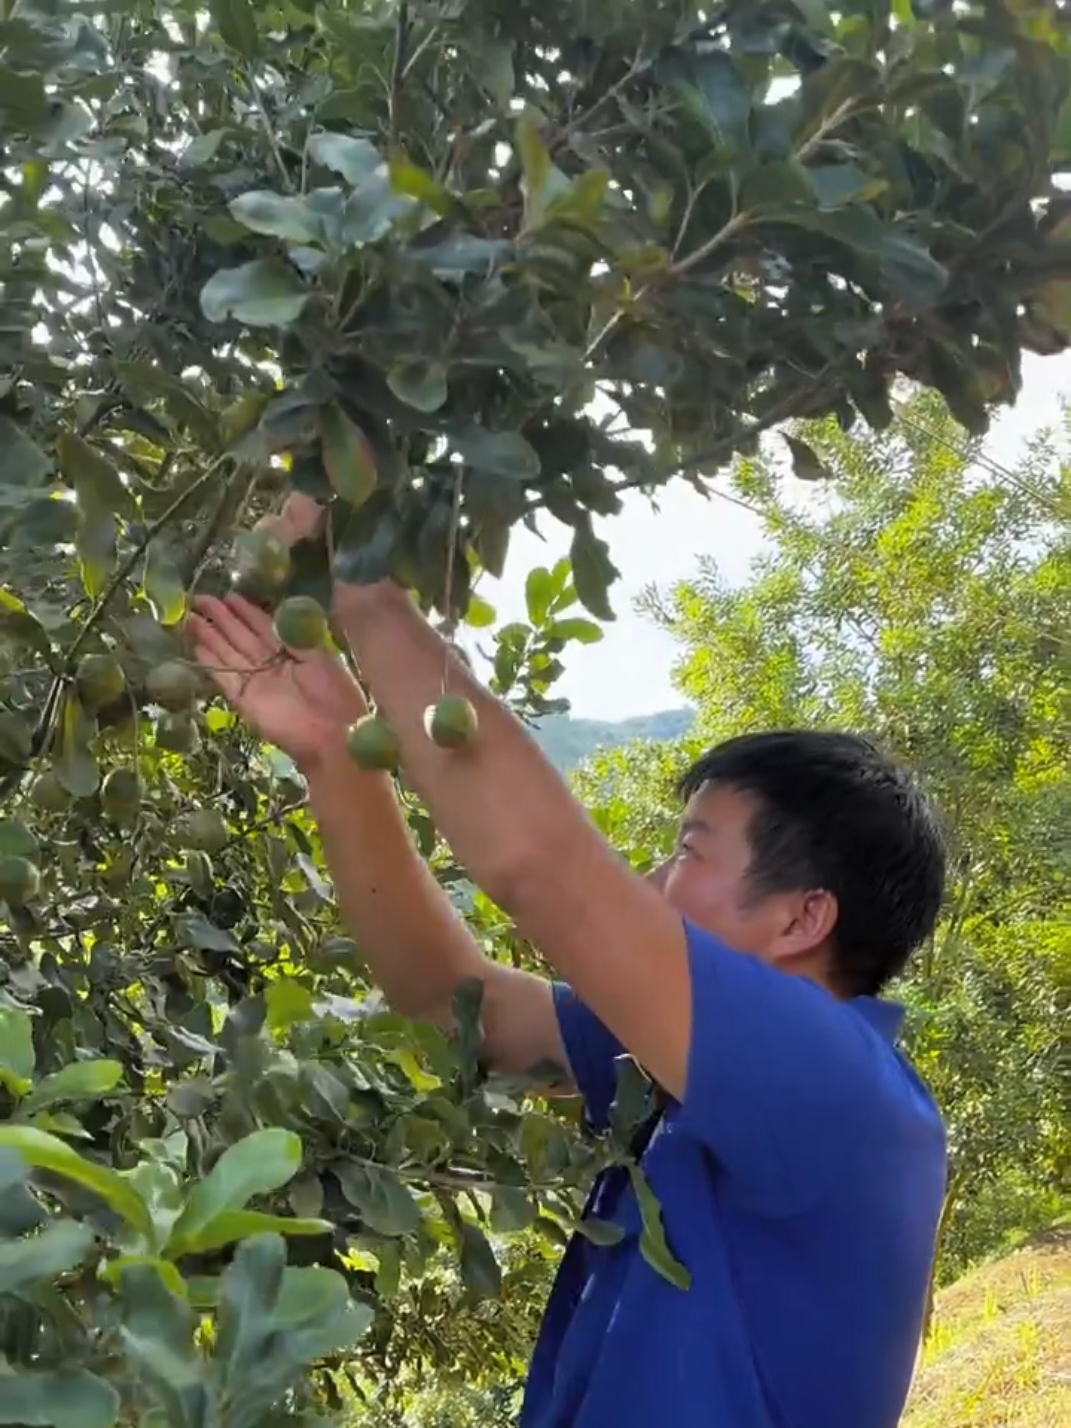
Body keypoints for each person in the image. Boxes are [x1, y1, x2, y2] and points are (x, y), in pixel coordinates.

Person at [189, 496, 948, 1428]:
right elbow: (454, 1007)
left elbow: (544, 870)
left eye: (688, 852)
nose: (650, 879)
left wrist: (368, 589)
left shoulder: (837, 1088)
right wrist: (338, 758)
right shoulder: (675, 1073)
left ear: (801, 918)